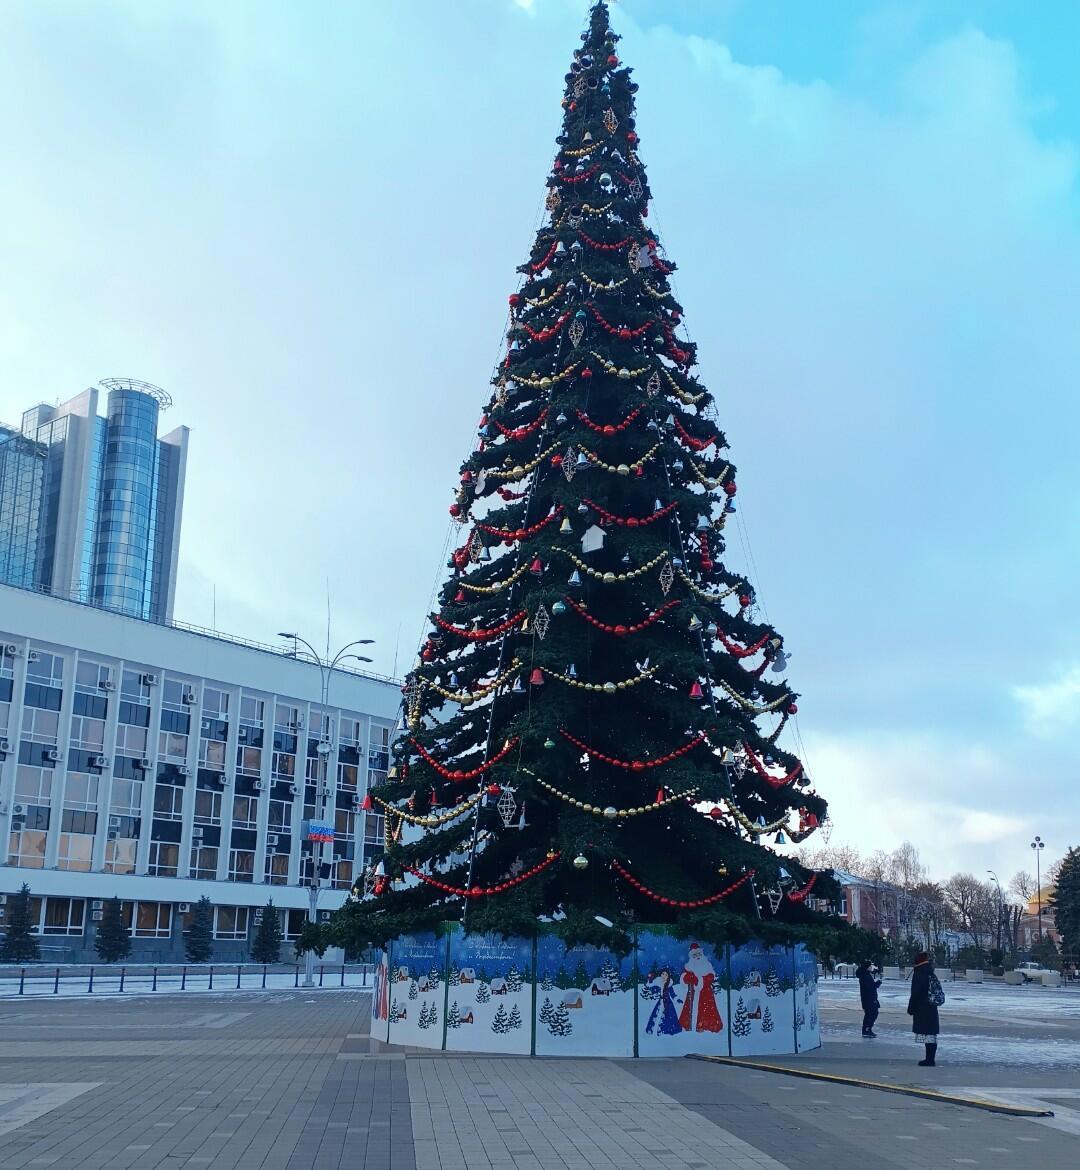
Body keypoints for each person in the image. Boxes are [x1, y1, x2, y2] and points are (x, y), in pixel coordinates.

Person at [907, 951, 942, 1066]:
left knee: (927, 1033)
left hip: (922, 1007)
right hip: (931, 1007)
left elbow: (915, 992)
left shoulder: (919, 973)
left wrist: (911, 1008)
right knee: (931, 1034)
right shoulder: (930, 971)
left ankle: (929, 1059)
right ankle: (930, 1058)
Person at [856, 959, 881, 1037]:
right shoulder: (865, 976)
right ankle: (867, 1029)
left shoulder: (866, 975)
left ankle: (867, 1029)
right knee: (871, 1014)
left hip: (869, 999)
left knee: (871, 1014)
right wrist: (877, 983)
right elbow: (870, 987)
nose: (871, 967)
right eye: (870, 966)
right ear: (867, 967)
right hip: (869, 999)